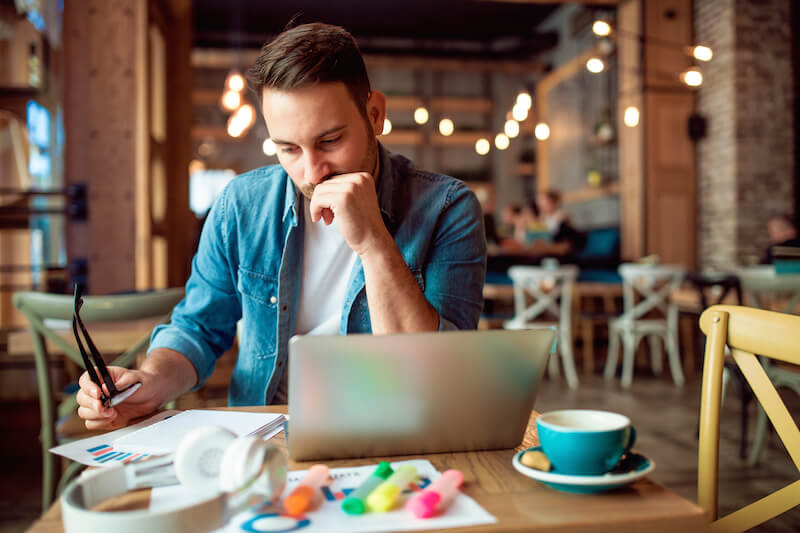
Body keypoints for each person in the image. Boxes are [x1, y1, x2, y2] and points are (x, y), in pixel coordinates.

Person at [76, 23, 487, 430]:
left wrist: (373, 242)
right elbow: (197, 329)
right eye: (288, 148)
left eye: (330, 141)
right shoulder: (242, 205)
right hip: (266, 434)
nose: (311, 171)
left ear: (374, 115)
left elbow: (437, 377)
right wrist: (148, 383)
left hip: (396, 429)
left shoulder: (448, 209)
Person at [536, 190, 584, 254]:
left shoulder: (563, 216)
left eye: (543, 201)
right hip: (547, 247)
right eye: (539, 202)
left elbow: (566, 238)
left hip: (563, 247)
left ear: (553, 202)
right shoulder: (541, 218)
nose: (540, 204)